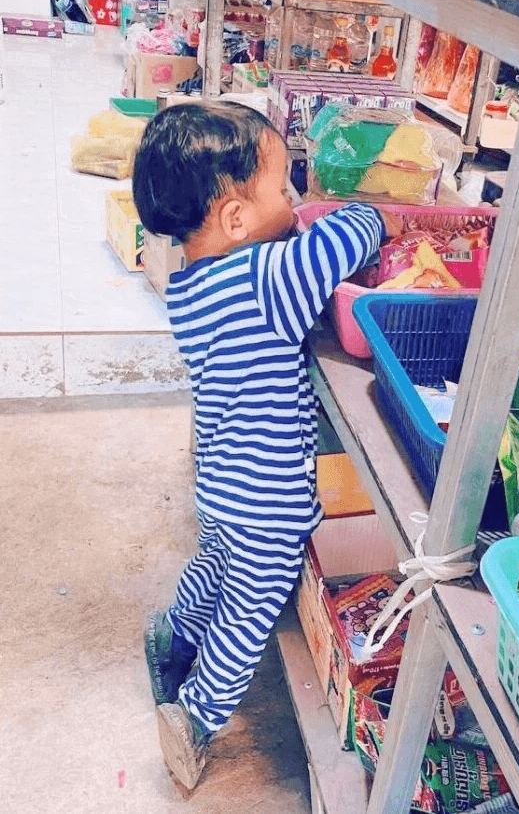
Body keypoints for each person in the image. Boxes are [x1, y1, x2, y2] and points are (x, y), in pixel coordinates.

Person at [132, 101, 396, 789]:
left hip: (222, 483)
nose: (295, 200)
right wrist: (375, 215)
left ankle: (173, 633)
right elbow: (343, 241)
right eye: (284, 188)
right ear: (235, 218)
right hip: (267, 503)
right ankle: (195, 715)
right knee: (250, 614)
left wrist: (291, 212)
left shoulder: (189, 285)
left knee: (216, 568)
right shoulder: (265, 281)